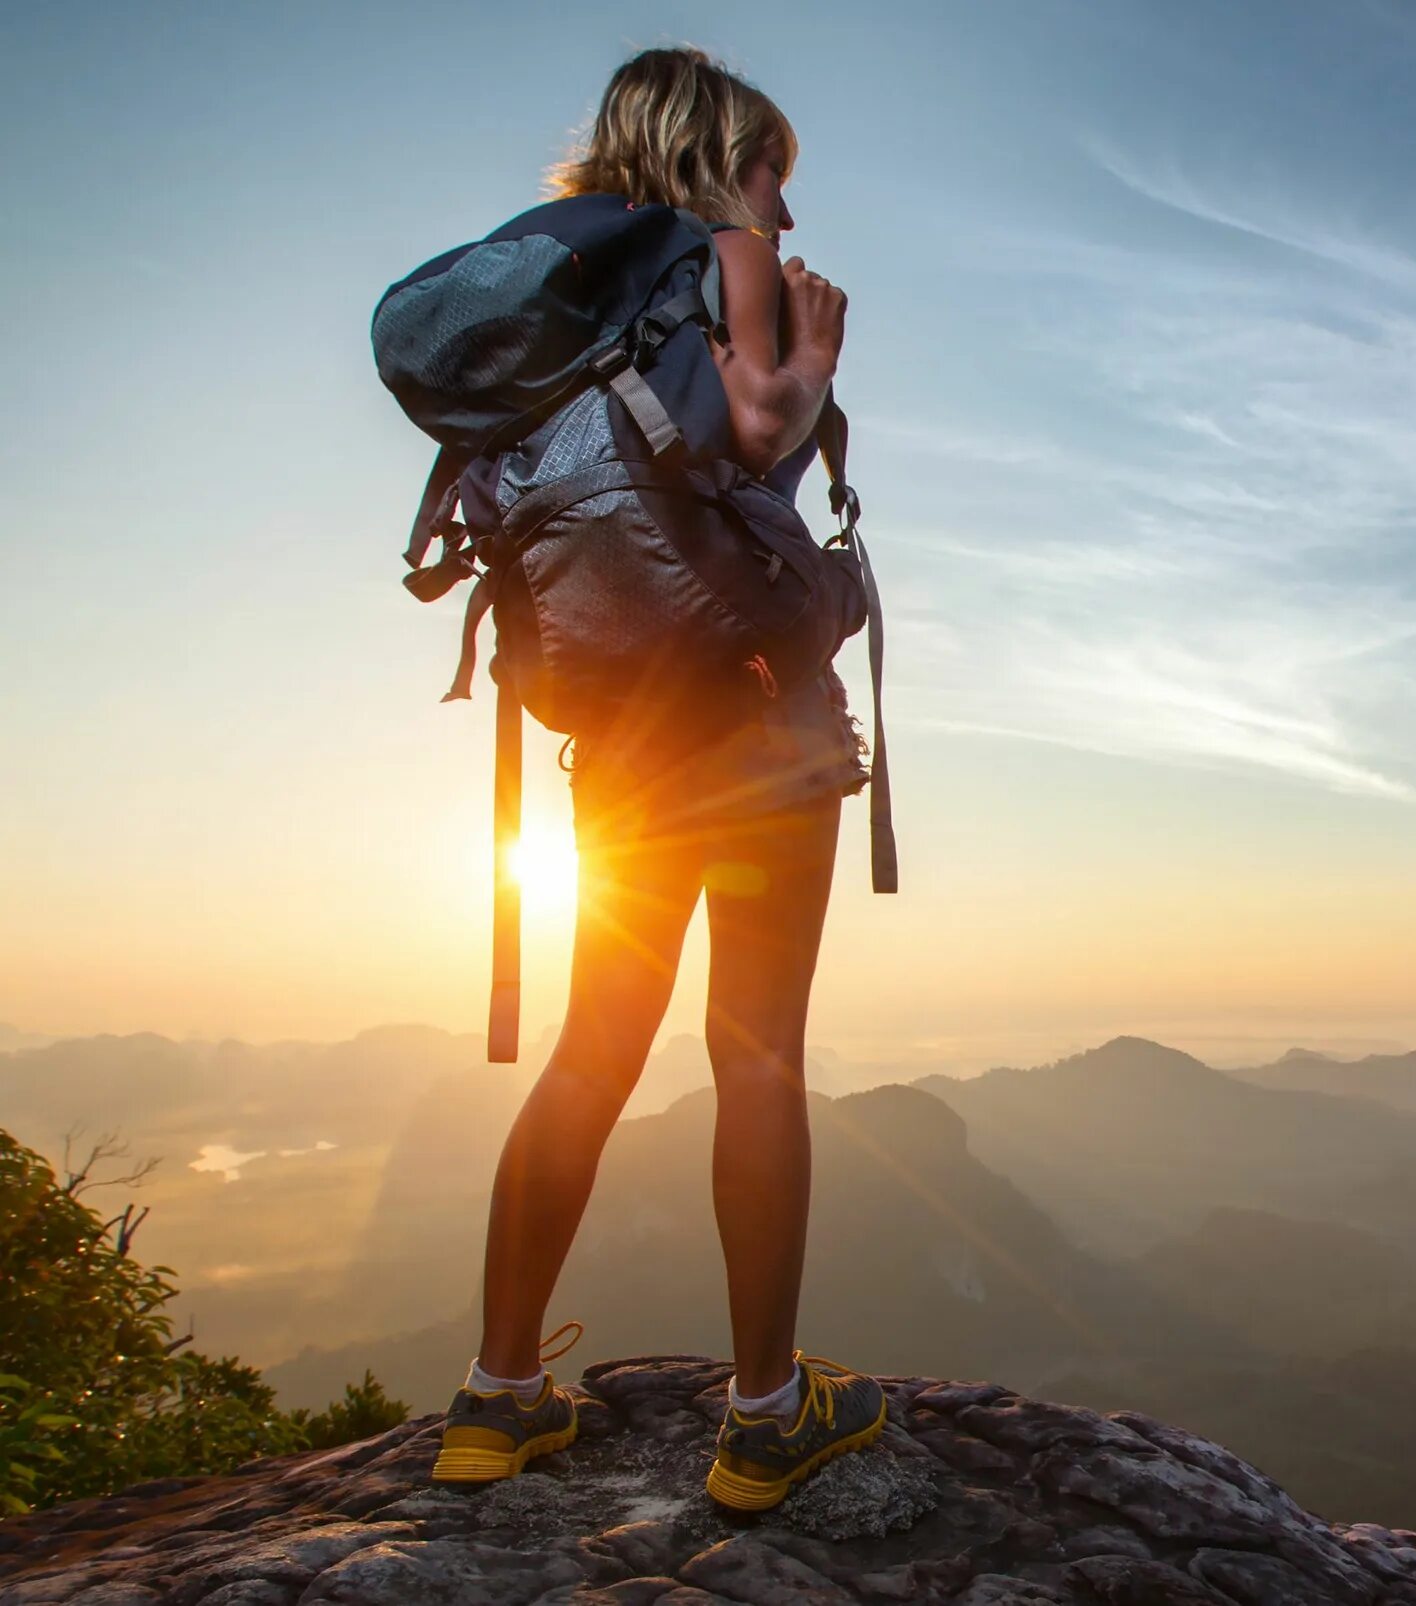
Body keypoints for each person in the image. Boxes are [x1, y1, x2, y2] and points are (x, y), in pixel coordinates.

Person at [427, 45, 888, 1514]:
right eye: (776, 177)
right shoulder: (725, 253)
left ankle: (497, 1400)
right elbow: (758, 430)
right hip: (756, 727)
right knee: (754, 1052)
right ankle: (765, 1416)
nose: (788, 220)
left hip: (615, 736)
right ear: (719, 157)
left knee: (593, 1048)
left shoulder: (553, 306)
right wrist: (813, 356)